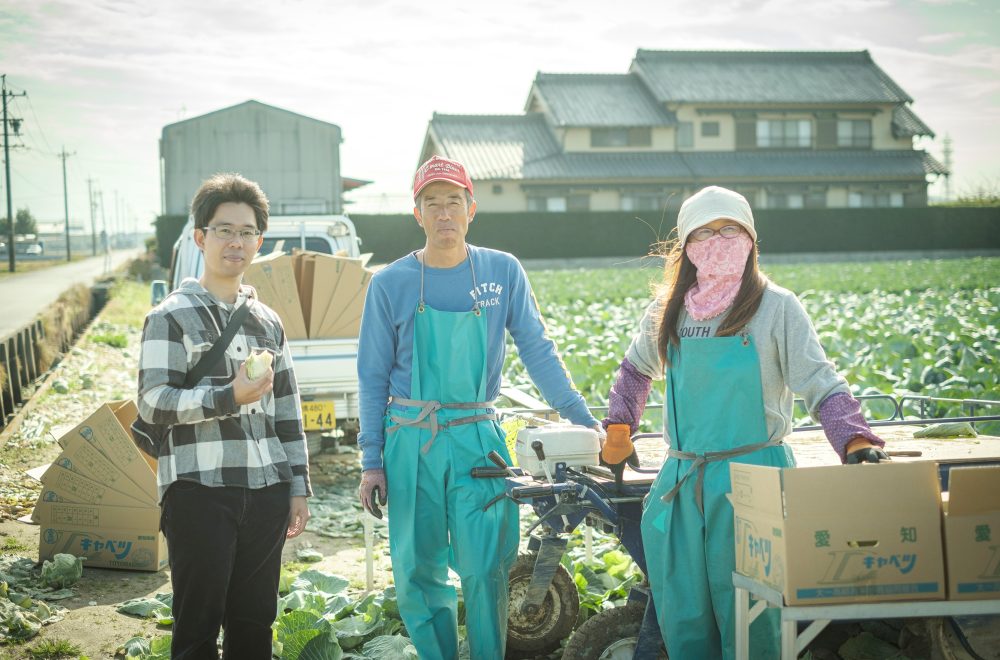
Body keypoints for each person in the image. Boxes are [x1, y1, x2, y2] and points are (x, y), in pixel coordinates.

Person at [602, 186, 887, 659]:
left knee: (756, 616)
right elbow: (635, 370)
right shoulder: (669, 308)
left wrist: (852, 436)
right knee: (685, 614)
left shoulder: (776, 306)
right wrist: (618, 426)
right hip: (683, 481)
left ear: (751, 239)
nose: (718, 240)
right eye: (705, 232)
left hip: (755, 479)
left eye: (729, 229)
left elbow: (819, 379)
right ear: (687, 246)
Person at [357, 156, 601, 660]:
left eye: (453, 202)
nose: (443, 213)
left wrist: (583, 421)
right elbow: (372, 376)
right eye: (432, 203)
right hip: (410, 439)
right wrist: (371, 460)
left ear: (472, 209)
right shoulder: (389, 283)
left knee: (488, 563)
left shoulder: (501, 270)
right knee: (417, 567)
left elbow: (537, 349)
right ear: (417, 214)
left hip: (477, 438)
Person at [136, 173, 311, 659]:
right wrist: (227, 395)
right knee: (196, 628)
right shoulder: (170, 315)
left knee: (255, 625)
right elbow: (152, 402)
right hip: (198, 491)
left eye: (247, 232)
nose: (236, 241)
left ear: (259, 240)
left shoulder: (268, 321)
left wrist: (297, 488)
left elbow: (288, 413)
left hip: (267, 491)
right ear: (200, 237)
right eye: (223, 230)